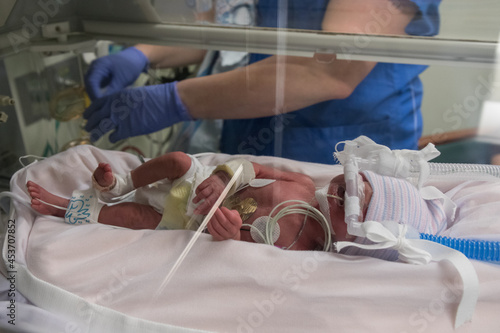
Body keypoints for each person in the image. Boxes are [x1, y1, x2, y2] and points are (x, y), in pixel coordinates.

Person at [83, 0, 442, 164]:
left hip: (338, 157)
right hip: (245, 142)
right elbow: (228, 22)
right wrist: (144, 53)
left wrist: (174, 101)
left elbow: (331, 68)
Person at [26, 150, 448, 253]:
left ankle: (72, 208)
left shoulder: (306, 247)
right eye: (353, 183)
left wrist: (225, 232)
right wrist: (226, 176)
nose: (339, 193)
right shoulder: (302, 184)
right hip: (202, 186)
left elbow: (248, 254)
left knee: (138, 217)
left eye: (353, 205)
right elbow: (256, 169)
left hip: (190, 220)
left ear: (359, 235)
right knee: (175, 160)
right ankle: (120, 182)